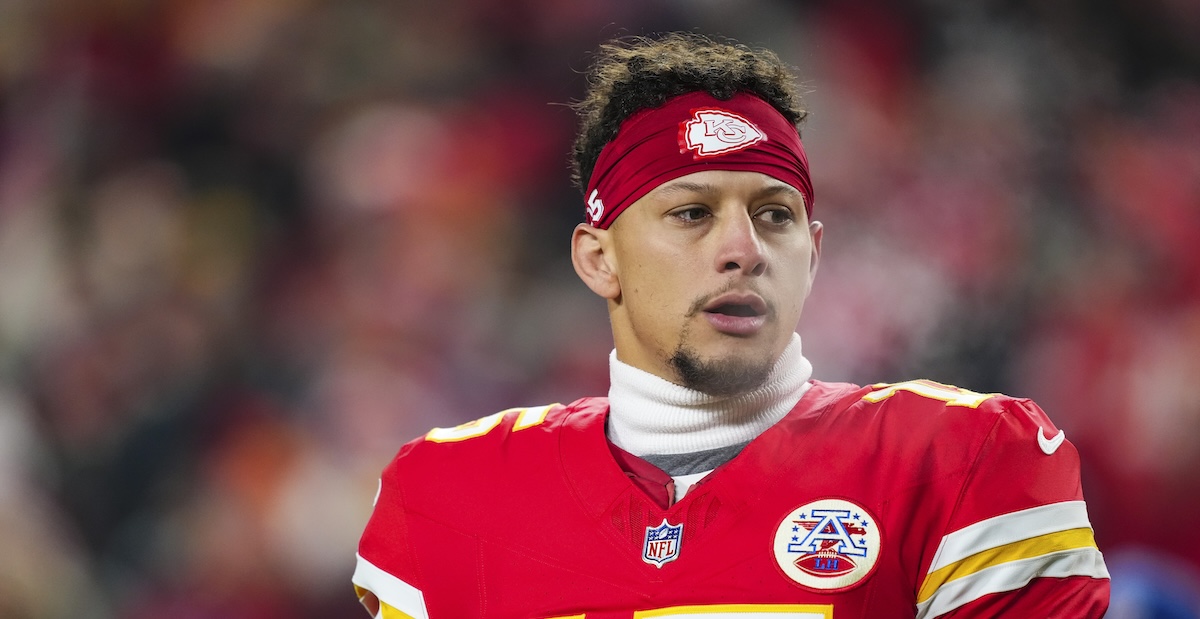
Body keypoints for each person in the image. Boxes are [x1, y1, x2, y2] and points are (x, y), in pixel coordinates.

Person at [351, 32, 1110, 618]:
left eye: (774, 216)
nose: (743, 250)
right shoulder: (450, 495)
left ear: (812, 255)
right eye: (692, 213)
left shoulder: (963, 461)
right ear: (598, 259)